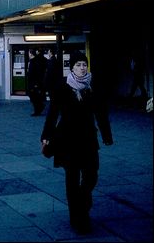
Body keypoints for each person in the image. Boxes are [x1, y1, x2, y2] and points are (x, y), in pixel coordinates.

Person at [41, 51, 113, 235]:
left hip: (89, 140)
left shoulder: (91, 87)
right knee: (72, 180)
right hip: (67, 140)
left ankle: (82, 204)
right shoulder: (62, 88)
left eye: (84, 64)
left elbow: (101, 112)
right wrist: (46, 135)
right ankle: (79, 217)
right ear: (71, 67)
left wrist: (106, 134)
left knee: (91, 176)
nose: (82, 68)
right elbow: (52, 114)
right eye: (79, 64)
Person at [27, 48, 47, 116]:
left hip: (34, 83)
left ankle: (38, 109)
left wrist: (36, 83)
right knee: (34, 96)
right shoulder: (33, 61)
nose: (28, 54)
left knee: (34, 97)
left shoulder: (34, 62)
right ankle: (39, 107)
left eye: (29, 52)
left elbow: (37, 73)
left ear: (31, 53)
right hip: (33, 83)